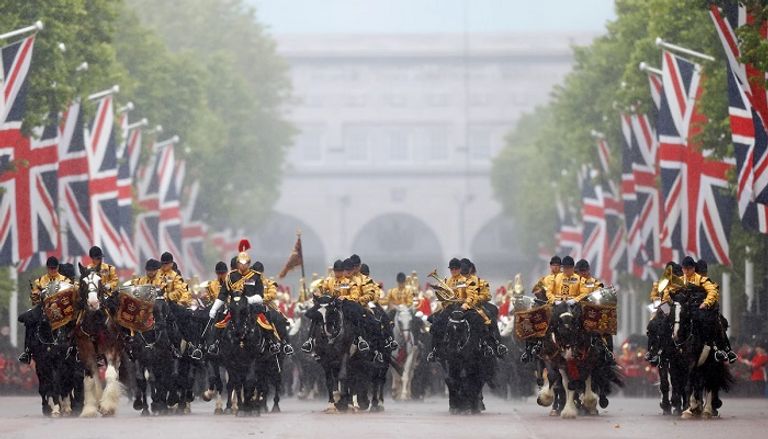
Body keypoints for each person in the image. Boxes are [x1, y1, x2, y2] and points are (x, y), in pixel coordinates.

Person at [17, 257, 69, 364]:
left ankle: (77, 350)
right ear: (47, 268)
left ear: (58, 267)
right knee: (29, 321)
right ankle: (27, 351)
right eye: (50, 268)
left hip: (61, 309)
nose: (52, 271)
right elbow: (34, 300)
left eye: (54, 268)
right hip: (43, 307)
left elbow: (71, 292)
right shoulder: (40, 281)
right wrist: (35, 295)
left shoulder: (65, 280)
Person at [695, 258, 737, 363]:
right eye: (700, 272)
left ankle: (725, 350)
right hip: (693, 312)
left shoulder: (711, 284)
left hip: (708, 312)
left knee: (720, 324)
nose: (702, 274)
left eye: (703, 272)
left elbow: (713, 296)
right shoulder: (691, 283)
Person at [252, 261, 294, 356]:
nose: (257, 274)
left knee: (277, 318)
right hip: (252, 307)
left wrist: (260, 298)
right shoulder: (248, 283)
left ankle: (285, 343)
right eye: (255, 272)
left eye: (259, 272)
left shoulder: (269, 283)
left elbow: (272, 294)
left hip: (267, 306)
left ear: (262, 272)